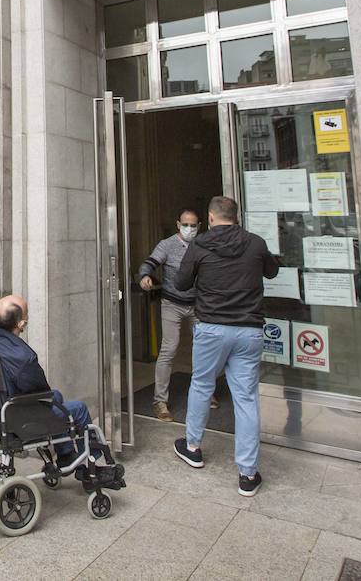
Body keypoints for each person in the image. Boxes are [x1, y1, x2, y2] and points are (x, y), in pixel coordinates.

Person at [172, 195, 278, 497]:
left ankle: (193, 447)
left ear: (211, 217)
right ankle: (247, 473)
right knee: (245, 398)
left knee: (202, 385)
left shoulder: (200, 245)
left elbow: (181, 283)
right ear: (236, 216)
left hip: (212, 329)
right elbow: (272, 271)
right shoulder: (255, 243)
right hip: (248, 330)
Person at [0, 294, 93, 464]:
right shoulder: (24, 359)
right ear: (22, 324)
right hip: (17, 420)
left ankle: (65, 452)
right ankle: (90, 463)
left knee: (56, 395)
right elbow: (41, 392)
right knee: (78, 408)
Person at [138, 208, 217, 421]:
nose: (189, 229)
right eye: (185, 224)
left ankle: (206, 393)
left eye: (193, 225)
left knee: (204, 349)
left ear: (199, 226)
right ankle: (160, 401)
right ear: (177, 224)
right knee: (169, 349)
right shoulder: (167, 245)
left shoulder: (203, 244)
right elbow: (151, 262)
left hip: (197, 305)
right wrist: (145, 275)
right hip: (172, 303)